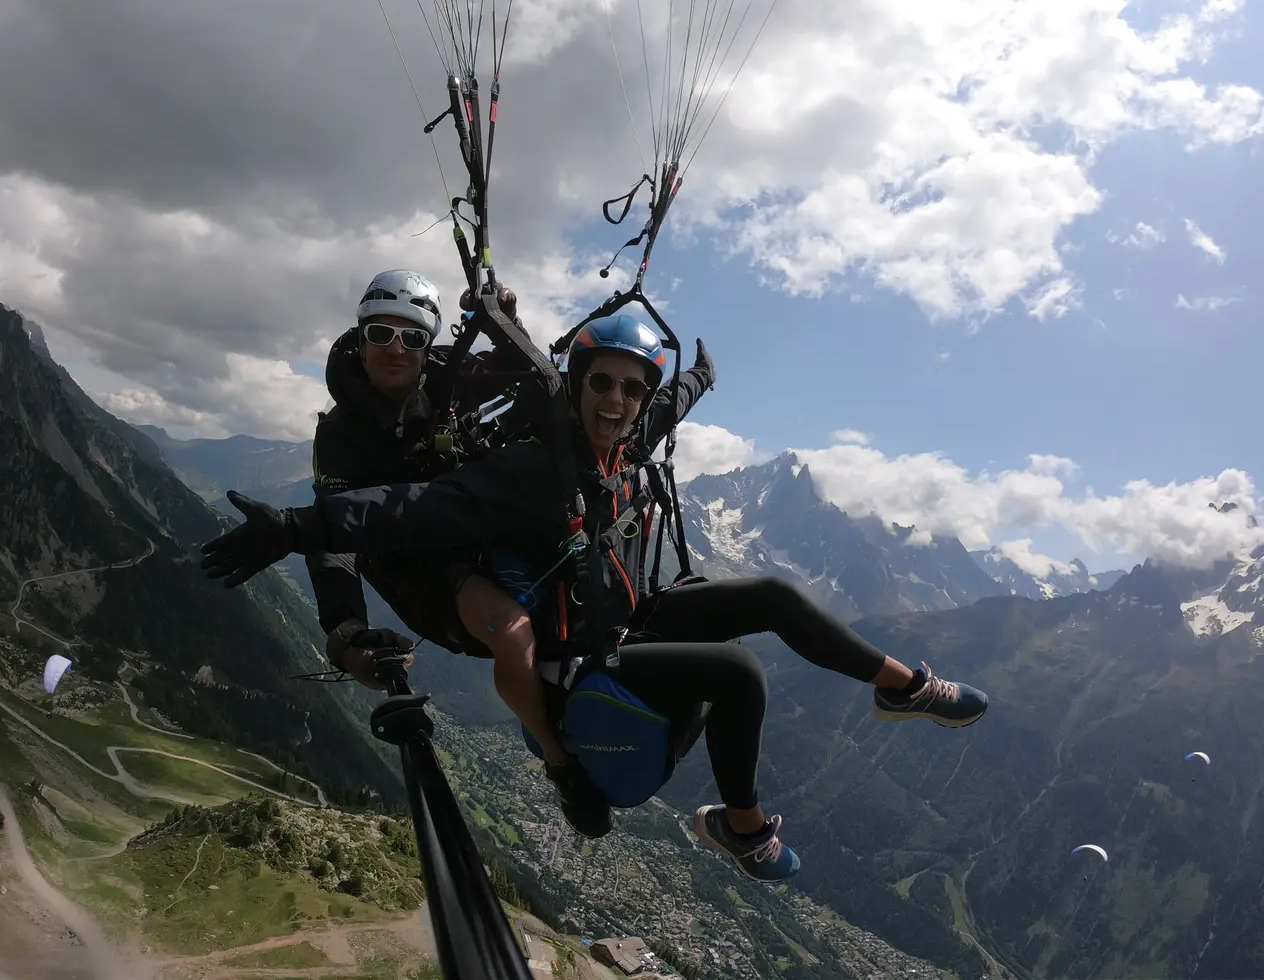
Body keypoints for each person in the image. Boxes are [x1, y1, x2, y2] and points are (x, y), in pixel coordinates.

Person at [201, 313, 989, 882]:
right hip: (579, 651)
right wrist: (298, 526)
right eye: (602, 385)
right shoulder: (531, 470)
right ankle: (740, 831)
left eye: (631, 391)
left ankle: (901, 687)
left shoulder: (624, 442)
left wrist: (698, 381)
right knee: (739, 674)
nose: (617, 401)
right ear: (576, 388)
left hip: (624, 616)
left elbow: (661, 407)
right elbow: (411, 509)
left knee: (775, 598)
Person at [303, 270, 610, 836]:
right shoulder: (342, 435)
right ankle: (560, 765)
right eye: (381, 334)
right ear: (360, 337)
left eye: (413, 338)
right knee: (513, 630)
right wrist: (345, 632)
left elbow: (531, 378)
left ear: (429, 346)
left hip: (469, 523)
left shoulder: (447, 375)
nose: (397, 349)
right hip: (416, 567)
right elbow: (333, 539)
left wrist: (505, 321)